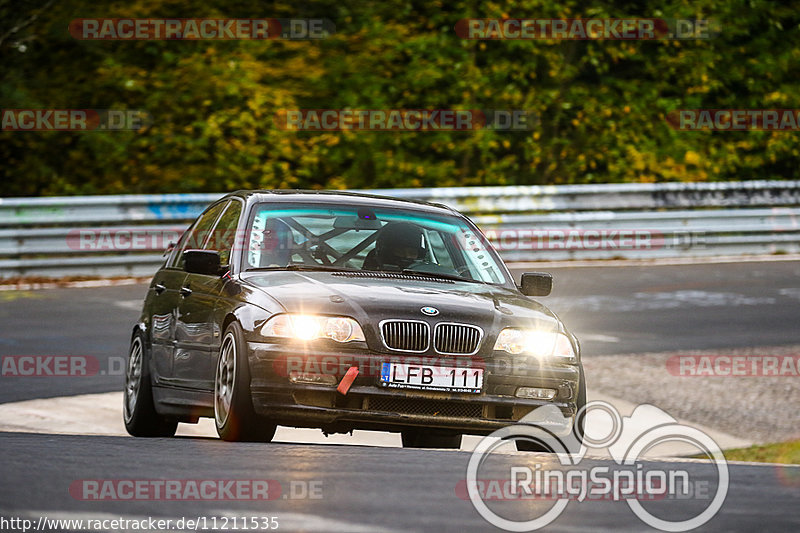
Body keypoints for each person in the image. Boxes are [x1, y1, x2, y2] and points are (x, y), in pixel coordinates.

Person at [363, 221, 427, 271]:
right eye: (400, 251)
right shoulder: (369, 273)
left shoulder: (427, 276)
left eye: (412, 253)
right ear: (387, 252)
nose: (407, 256)